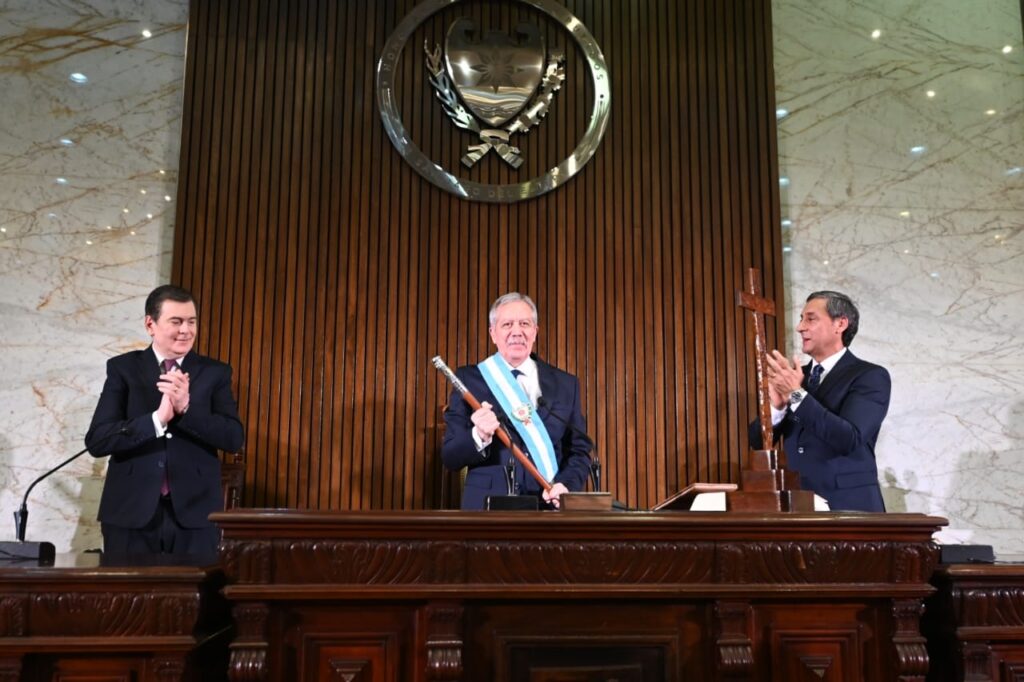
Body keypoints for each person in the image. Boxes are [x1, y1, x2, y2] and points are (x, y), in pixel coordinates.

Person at [85, 284, 244, 555]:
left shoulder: (215, 373)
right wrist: (156, 420)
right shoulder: (123, 369)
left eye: (191, 321)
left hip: (195, 515)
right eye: (176, 321)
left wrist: (187, 409)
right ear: (150, 324)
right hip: (130, 513)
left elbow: (233, 438)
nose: (186, 330)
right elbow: (98, 440)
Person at [441, 292, 593, 510]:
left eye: (524, 323)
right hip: (487, 510)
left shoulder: (566, 384)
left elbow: (579, 451)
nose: (516, 331)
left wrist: (566, 485)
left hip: (549, 508)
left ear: (535, 331)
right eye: (507, 324)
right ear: (493, 333)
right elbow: (450, 457)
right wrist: (478, 435)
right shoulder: (469, 380)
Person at [748, 290, 890, 512]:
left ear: (840, 324)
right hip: (797, 505)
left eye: (810, 319)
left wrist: (796, 395)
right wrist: (776, 407)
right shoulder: (796, 377)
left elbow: (848, 438)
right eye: (801, 319)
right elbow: (758, 441)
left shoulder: (870, 376)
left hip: (849, 508)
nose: (800, 327)